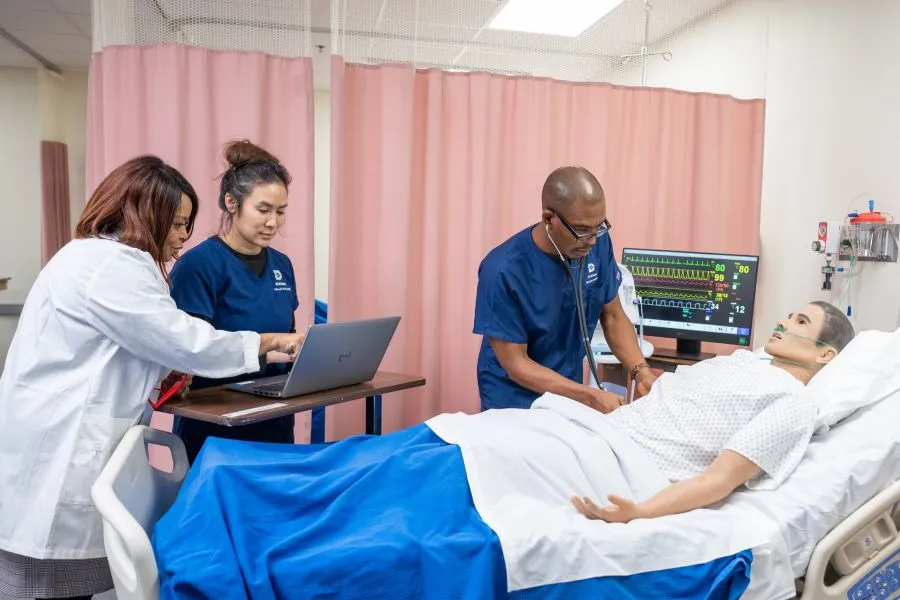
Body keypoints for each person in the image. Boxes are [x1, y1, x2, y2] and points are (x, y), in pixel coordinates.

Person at [0, 156, 303, 600]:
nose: (183, 235)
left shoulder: (97, 258)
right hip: (63, 438)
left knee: (60, 579)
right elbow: (184, 341)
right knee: (44, 582)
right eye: (177, 223)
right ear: (145, 216)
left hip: (67, 429)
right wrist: (264, 342)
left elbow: (148, 349)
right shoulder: (111, 266)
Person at [571, 300, 855, 523]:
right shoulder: (741, 361)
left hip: (624, 463)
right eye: (790, 316)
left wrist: (640, 512)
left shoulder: (793, 402)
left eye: (801, 322)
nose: (782, 322)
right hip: (593, 434)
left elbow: (720, 479)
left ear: (825, 355)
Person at [168, 140, 322, 463]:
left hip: (275, 420)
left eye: (281, 212)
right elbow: (192, 355)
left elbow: (285, 343)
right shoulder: (198, 266)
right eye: (263, 210)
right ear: (231, 203)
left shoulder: (282, 265)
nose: (273, 223)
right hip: (216, 429)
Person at [474, 165, 657, 414]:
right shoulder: (503, 270)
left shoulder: (596, 243)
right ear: (549, 218)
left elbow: (612, 315)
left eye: (599, 226)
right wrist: (588, 396)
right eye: (581, 230)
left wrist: (640, 370)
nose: (592, 240)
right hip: (513, 402)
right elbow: (516, 364)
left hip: (566, 394)